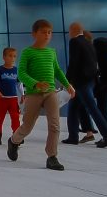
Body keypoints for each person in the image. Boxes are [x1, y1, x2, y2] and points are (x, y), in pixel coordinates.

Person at [7, 19, 75, 171]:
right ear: (34, 34)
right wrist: (35, 84)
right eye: (43, 32)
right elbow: (21, 73)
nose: (47, 35)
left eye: (49, 32)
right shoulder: (27, 52)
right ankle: (13, 141)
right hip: (34, 94)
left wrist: (67, 85)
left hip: (51, 93)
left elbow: (57, 71)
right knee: (27, 127)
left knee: (55, 125)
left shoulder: (51, 52)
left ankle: (52, 157)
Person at [63, 22, 107, 148]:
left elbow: (73, 63)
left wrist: (67, 81)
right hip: (91, 80)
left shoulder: (74, 42)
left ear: (73, 30)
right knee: (73, 107)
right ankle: (73, 137)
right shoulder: (89, 43)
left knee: (92, 108)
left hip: (80, 81)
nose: (68, 33)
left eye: (69, 31)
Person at [0, 47, 24, 145]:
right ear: (4, 57)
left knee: (15, 118)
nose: (12, 58)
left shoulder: (16, 70)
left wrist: (22, 94)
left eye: (14, 56)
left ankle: (17, 137)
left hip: (13, 99)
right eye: (10, 56)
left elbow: (19, 83)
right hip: (1, 99)